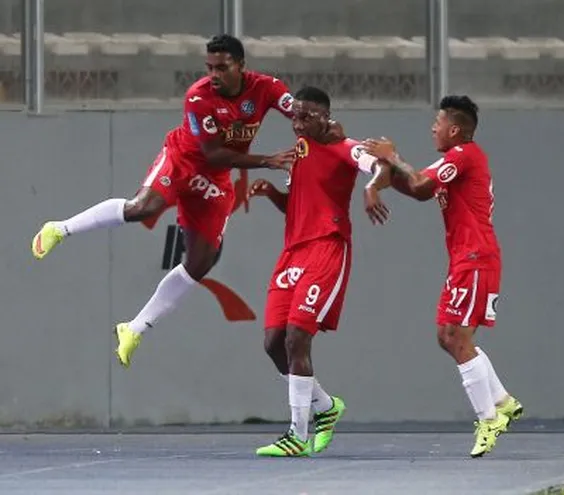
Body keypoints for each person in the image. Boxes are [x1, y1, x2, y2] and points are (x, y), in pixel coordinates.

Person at [31, 34, 300, 368]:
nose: (214, 74)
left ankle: (134, 328)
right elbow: (214, 154)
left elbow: (301, 112)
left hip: (214, 182)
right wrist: (269, 160)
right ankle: (61, 228)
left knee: (202, 263)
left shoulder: (266, 88)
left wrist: (320, 139)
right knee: (143, 208)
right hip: (183, 161)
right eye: (209, 67)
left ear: (241, 66)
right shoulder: (199, 96)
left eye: (222, 67)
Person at [361, 95, 522, 458]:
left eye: (437, 122)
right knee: (447, 336)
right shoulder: (453, 159)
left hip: (476, 257)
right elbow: (419, 188)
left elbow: (418, 183)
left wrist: (393, 156)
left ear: (454, 129)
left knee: (457, 336)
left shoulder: (465, 155)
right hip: (465, 259)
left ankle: (489, 417)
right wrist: (378, 179)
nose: (432, 128)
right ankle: (502, 401)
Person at [248, 86, 384, 457]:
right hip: (292, 252)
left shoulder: (344, 144)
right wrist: (272, 194)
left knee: (297, 338)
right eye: (295, 116)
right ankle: (326, 407)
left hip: (327, 247)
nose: (298, 123)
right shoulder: (301, 149)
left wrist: (372, 188)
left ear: (326, 116)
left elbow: (378, 164)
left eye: (307, 116)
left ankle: (297, 434)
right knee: (273, 343)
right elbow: (297, 205)